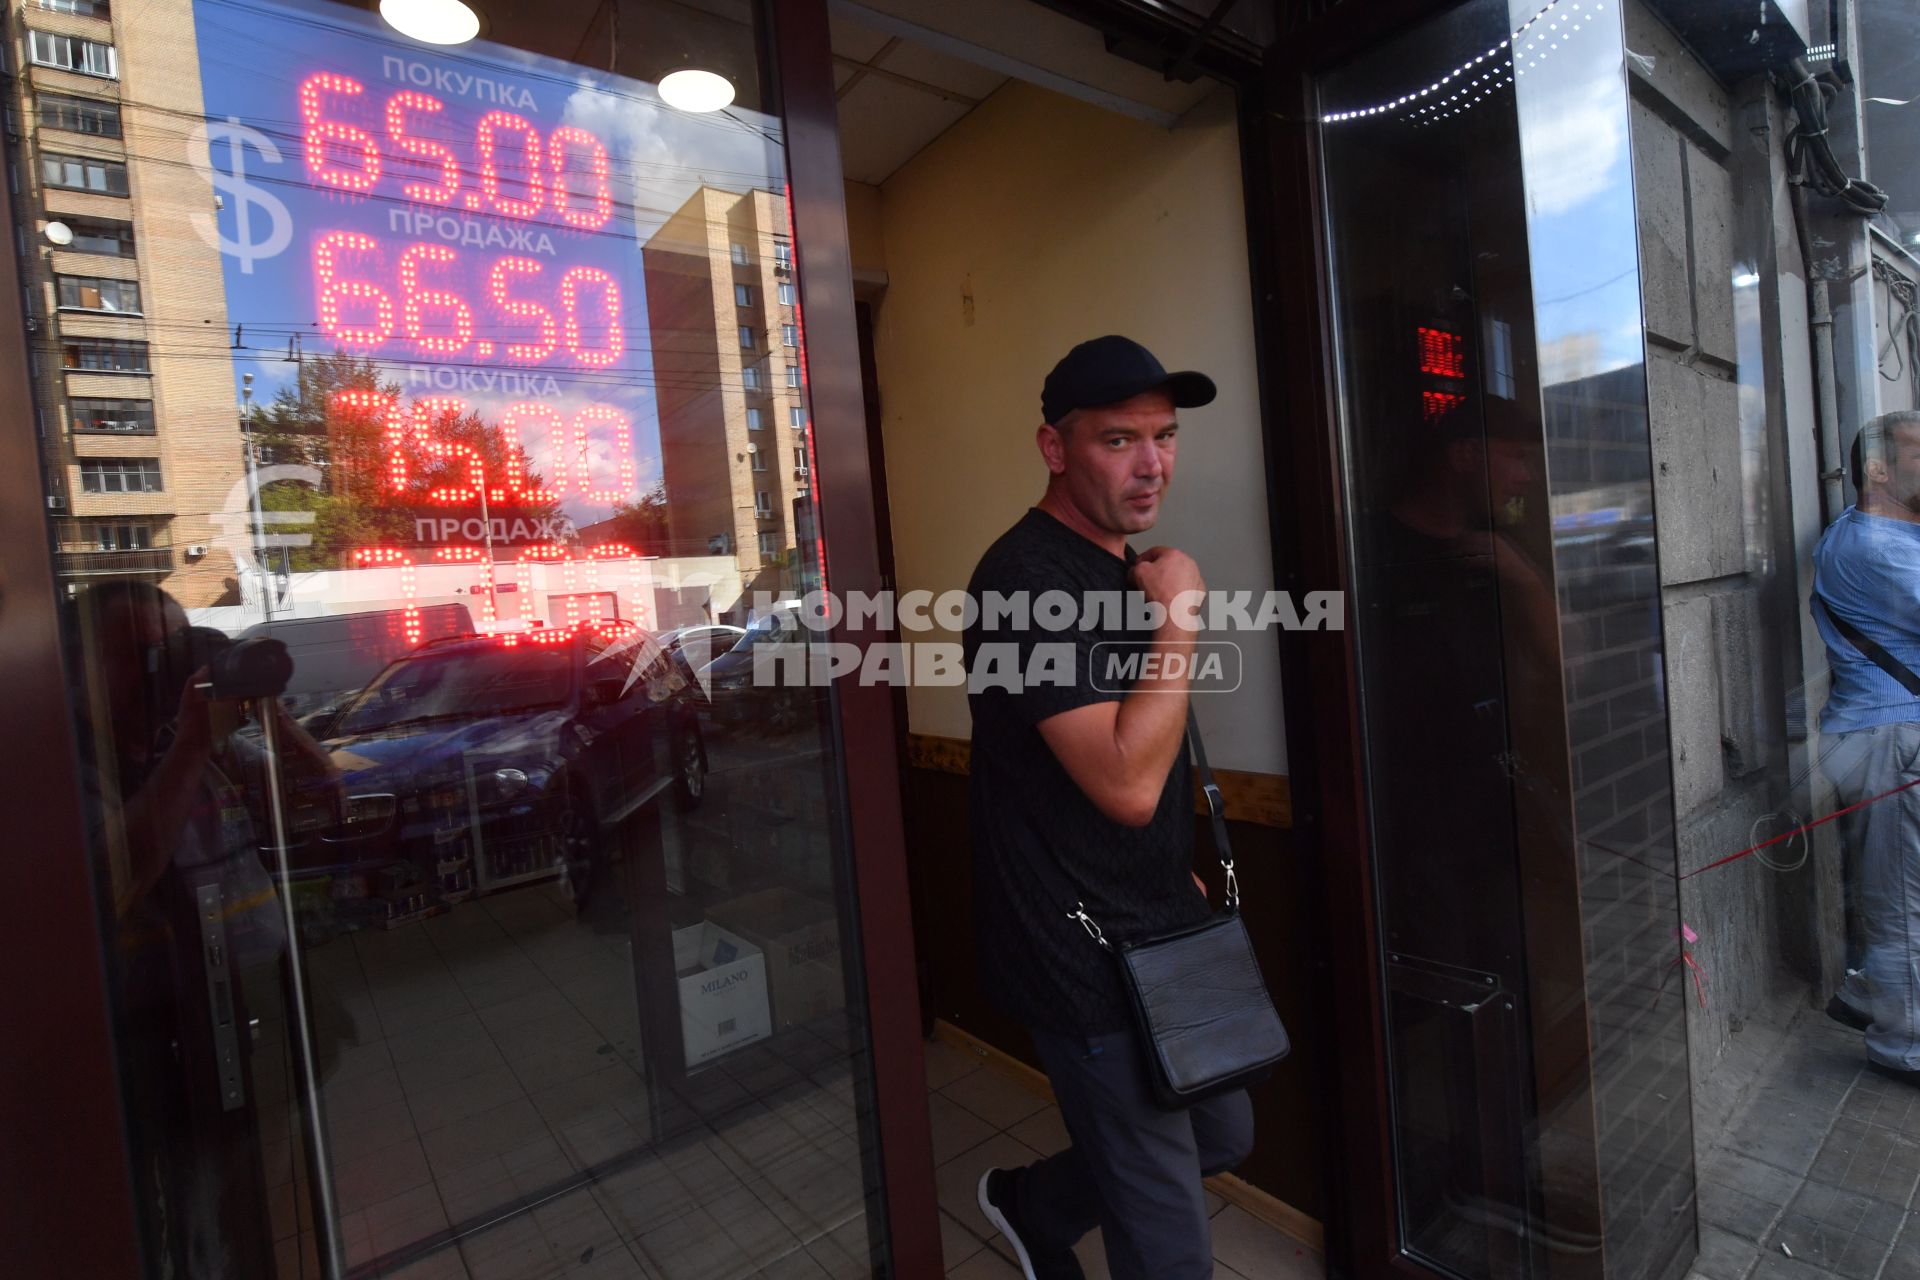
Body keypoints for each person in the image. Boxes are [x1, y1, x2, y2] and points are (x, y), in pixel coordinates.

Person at [963, 335, 1253, 1280]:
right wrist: (1181, 616)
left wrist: (1176, 864)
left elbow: (1145, 746)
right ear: (1055, 448)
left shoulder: (1127, 569)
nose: (1153, 463)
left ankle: (1034, 1204)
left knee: (1223, 1129)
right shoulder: (1024, 584)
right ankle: (1046, 1206)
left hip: (1163, 914)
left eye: (1164, 437)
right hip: (1080, 947)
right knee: (1168, 1232)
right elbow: (1127, 784)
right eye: (1119, 439)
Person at [1813, 410, 1920, 1084]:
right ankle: (1902, 1047)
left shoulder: (1893, 537)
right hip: (1892, 738)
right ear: (1879, 470)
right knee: (1903, 901)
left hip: (1894, 733)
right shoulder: (1876, 548)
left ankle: (1867, 994)